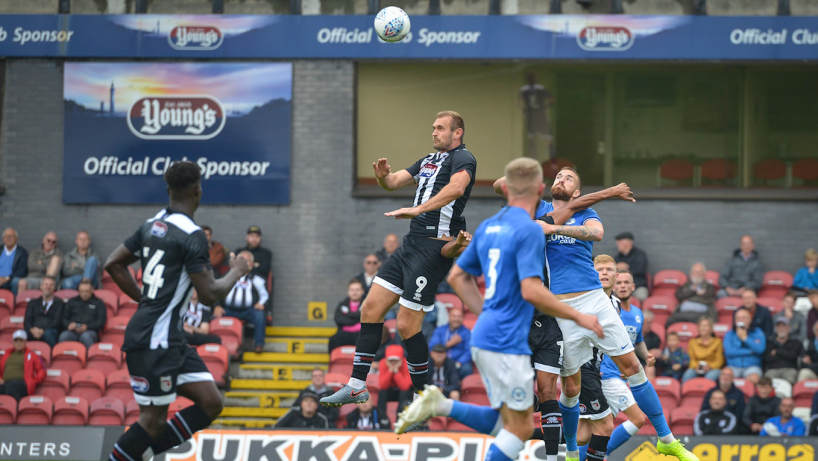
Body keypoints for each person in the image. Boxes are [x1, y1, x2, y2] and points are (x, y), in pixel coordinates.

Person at [395, 158, 605, 461]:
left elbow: (457, 277)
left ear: (505, 188)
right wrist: (577, 315)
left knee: (512, 426)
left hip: (486, 335)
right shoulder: (531, 230)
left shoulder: (489, 226)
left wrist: (486, 314)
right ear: (540, 189)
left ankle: (441, 405)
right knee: (517, 430)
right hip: (508, 339)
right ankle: (441, 405)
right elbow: (531, 289)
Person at [493, 166, 692, 461]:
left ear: (577, 193)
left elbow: (597, 234)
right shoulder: (540, 207)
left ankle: (666, 439)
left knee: (633, 369)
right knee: (571, 388)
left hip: (595, 301)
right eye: (558, 176)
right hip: (561, 311)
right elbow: (499, 184)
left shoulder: (585, 214)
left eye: (568, 178)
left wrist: (554, 229)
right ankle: (572, 453)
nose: (561, 179)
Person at [321, 111, 478, 406]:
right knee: (370, 308)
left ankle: (422, 396)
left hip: (433, 248)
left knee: (407, 325)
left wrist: (417, 210)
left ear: (457, 133)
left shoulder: (464, 158)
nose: (434, 132)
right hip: (410, 245)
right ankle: (356, 386)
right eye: (433, 127)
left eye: (440, 128)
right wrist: (382, 178)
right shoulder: (427, 161)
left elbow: (457, 189)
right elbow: (393, 182)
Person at [103, 161, 252, 461]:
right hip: (155, 340)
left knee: (211, 402)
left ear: (169, 190)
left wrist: (145, 298)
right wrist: (237, 271)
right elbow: (210, 295)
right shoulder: (192, 235)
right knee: (153, 420)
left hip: (169, 339)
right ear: (198, 191)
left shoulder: (151, 225)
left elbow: (114, 264)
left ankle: (142, 453)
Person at [598, 267, 652, 458]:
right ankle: (603, 454)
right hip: (606, 375)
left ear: (633, 286)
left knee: (602, 428)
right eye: (618, 282)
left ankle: (593, 455)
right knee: (638, 419)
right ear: (613, 285)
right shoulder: (607, 308)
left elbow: (637, 340)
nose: (622, 286)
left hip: (621, 376)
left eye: (626, 282)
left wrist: (646, 355)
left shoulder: (638, 313)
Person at [218, 250, 269, 353]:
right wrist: (217, 306)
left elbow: (265, 295)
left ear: (252, 264)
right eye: (241, 260)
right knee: (214, 317)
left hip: (248, 311)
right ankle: (218, 345)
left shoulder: (257, 279)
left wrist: (262, 304)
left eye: (246, 261)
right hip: (228, 310)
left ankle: (259, 344)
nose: (244, 263)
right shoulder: (227, 276)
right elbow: (217, 291)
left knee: (259, 315)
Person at [58, 278, 106, 349]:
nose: (84, 294)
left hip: (90, 331)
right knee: (64, 336)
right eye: (82, 291)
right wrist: (69, 325)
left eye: (87, 291)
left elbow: (101, 321)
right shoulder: (72, 302)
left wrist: (87, 327)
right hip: (73, 331)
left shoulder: (99, 303)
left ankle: (91, 358)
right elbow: (64, 318)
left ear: (92, 290)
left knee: (86, 337)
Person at [0, 330, 46, 401]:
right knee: (6, 389)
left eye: (21, 341)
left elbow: (41, 370)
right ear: (13, 342)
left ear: (25, 342)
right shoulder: (7, 354)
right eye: (16, 341)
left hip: (21, 383)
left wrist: (33, 381)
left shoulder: (32, 355)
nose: (18, 343)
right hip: (5, 383)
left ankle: (19, 407)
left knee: (10, 389)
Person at [519, 71, 554, 161]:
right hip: (540, 115)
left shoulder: (524, 89)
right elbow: (551, 100)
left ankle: (535, 158)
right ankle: (551, 158)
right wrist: (546, 107)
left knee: (533, 138)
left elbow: (518, 103)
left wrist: (524, 109)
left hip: (531, 116)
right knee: (547, 137)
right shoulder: (540, 88)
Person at [428, 307, 472, 378]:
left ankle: (465, 388)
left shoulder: (466, 332)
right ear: (449, 317)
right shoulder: (440, 330)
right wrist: (450, 344)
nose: (456, 319)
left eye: (459, 317)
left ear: (463, 318)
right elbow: (433, 347)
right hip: (440, 361)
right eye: (454, 316)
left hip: (458, 361)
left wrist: (459, 363)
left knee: (467, 369)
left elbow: (469, 352)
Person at [724, 307, 766, 383]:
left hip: (752, 367)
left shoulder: (757, 332)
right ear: (735, 321)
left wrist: (745, 338)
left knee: (754, 378)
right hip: (733, 366)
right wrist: (750, 351)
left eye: (744, 318)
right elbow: (729, 352)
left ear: (750, 319)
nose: (741, 320)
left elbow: (760, 349)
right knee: (725, 375)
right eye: (738, 318)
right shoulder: (729, 334)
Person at [377, 344, 414, 428]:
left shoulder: (407, 364)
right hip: (389, 391)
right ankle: (383, 419)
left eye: (396, 360)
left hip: (402, 392)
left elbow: (405, 386)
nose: (393, 362)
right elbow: (382, 385)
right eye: (391, 360)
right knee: (382, 393)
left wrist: (396, 372)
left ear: (401, 359)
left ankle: (400, 420)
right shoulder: (383, 363)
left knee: (405, 393)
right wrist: (390, 370)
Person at [23, 276, 64, 347]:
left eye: (51, 285)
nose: (48, 287)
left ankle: (50, 356)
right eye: (46, 284)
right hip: (34, 331)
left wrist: (42, 331)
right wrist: (32, 330)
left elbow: (57, 322)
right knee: (21, 334)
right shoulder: (33, 303)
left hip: (50, 331)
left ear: (54, 287)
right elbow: (27, 321)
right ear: (41, 286)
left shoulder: (60, 303)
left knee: (48, 333)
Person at [682, 317, 724, 382]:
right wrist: (696, 366)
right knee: (687, 375)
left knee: (709, 378)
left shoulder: (717, 342)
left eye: (706, 325)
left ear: (711, 328)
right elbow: (691, 359)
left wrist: (709, 366)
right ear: (698, 328)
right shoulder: (692, 342)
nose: (703, 328)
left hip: (712, 369)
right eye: (701, 325)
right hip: (696, 368)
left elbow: (719, 361)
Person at [328, 280, 365, 353]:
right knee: (333, 340)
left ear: (362, 291)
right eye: (352, 290)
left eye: (357, 290)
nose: (354, 292)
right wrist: (357, 319)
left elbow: (368, 319)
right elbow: (339, 320)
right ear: (348, 291)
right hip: (343, 334)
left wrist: (348, 317)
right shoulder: (342, 305)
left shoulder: (366, 305)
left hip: (360, 335)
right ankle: (333, 363)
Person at [763, 317, 802, 384]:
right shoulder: (769, 342)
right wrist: (786, 353)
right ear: (775, 328)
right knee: (768, 381)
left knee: (790, 379)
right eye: (779, 326)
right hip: (772, 369)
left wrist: (777, 352)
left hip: (789, 369)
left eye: (784, 326)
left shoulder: (795, 342)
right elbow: (767, 358)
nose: (781, 328)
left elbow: (793, 356)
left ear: (789, 328)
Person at [613, 233, 649, 301]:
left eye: (619, 244)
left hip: (638, 286)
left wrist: (625, 269)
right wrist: (616, 266)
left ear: (627, 243)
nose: (618, 246)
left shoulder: (640, 254)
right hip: (621, 286)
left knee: (642, 296)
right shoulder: (618, 257)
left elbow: (640, 270)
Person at [0, 228, 28, 295]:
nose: (9, 238)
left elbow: (22, 271)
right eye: (7, 236)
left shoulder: (22, 253)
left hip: (11, 279)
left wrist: (6, 278)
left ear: (16, 238)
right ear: (3, 238)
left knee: (16, 282)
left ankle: (14, 303)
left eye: (11, 236)